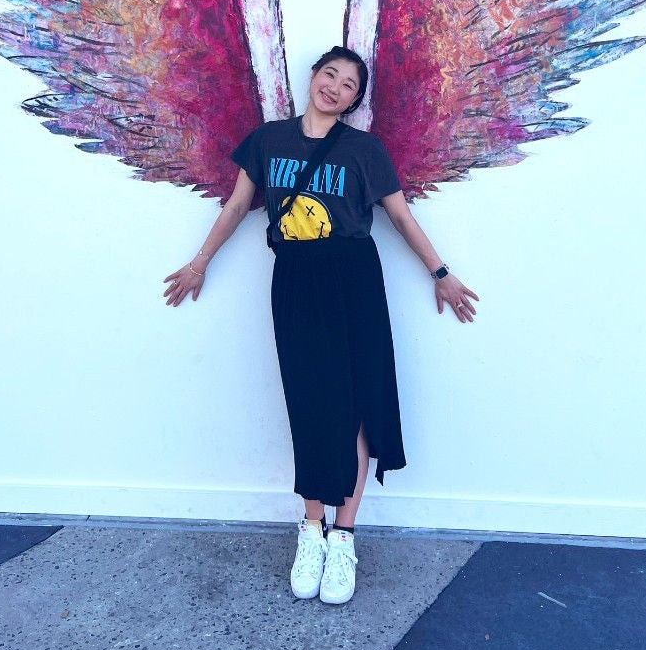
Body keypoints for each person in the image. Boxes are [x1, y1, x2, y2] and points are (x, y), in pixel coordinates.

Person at [163, 46, 478, 605]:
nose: (335, 87)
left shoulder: (364, 150)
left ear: (354, 100)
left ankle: (344, 537)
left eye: (349, 84)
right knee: (310, 403)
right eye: (330, 74)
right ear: (313, 76)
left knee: (356, 402)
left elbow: (399, 214)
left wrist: (441, 273)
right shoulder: (269, 141)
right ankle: (311, 530)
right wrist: (199, 262)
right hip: (295, 280)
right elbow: (236, 207)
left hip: (354, 278)